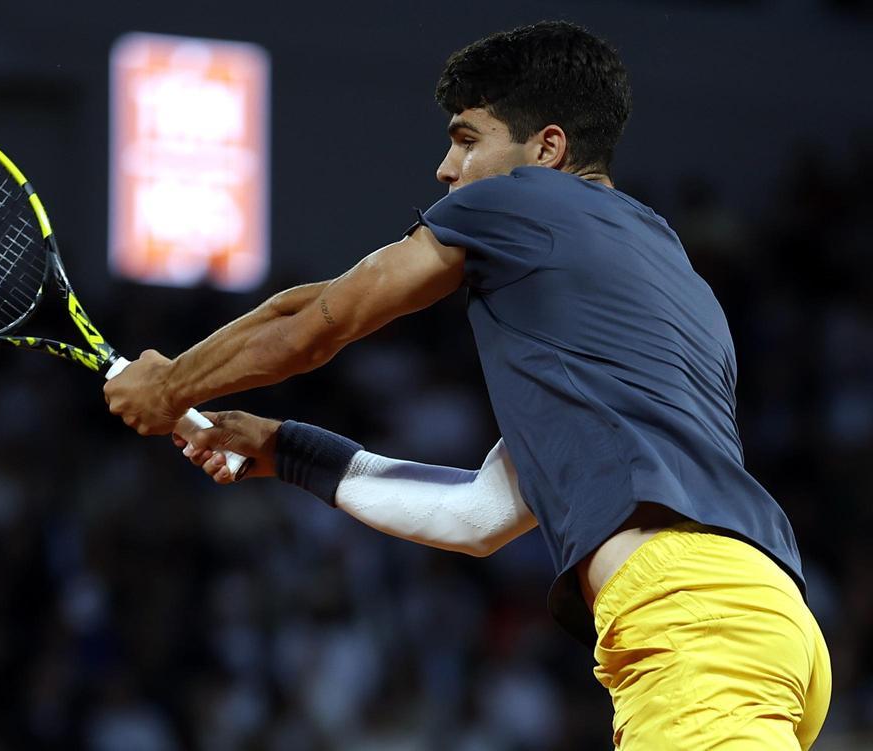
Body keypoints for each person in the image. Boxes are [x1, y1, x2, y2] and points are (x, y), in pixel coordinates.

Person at [103, 20, 831, 748]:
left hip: (690, 617)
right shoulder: (662, 276)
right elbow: (480, 514)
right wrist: (285, 448)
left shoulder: (522, 200)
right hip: (772, 624)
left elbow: (317, 318)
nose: (446, 168)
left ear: (547, 150)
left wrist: (172, 382)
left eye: (467, 138)